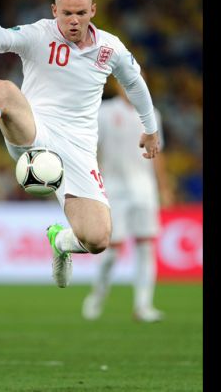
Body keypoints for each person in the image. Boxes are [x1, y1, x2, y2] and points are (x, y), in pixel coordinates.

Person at [0, 0, 160, 288]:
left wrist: (150, 129)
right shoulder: (40, 33)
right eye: (67, 13)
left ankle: (60, 241)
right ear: (55, 10)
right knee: (2, 89)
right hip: (35, 130)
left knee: (98, 239)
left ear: (92, 11)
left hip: (78, 150)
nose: (74, 20)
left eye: (81, 13)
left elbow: (135, 84)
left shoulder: (110, 48)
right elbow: (0, 40)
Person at [82, 85, 172, 322]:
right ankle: (98, 295)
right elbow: (92, 148)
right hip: (113, 188)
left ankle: (143, 306)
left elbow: (157, 151)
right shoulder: (105, 111)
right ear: (119, 85)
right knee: (112, 250)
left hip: (144, 189)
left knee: (145, 246)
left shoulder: (152, 114)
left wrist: (163, 187)